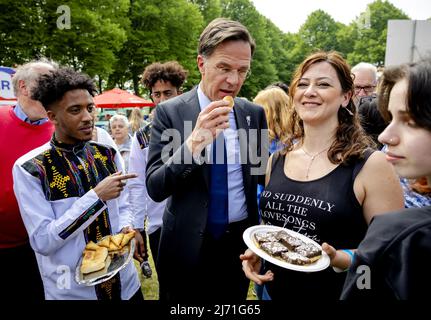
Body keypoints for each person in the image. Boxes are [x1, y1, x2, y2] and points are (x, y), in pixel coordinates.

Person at [240, 51, 404, 301]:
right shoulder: (277, 160)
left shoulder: (371, 165)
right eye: (303, 84)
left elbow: (393, 251)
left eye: (324, 84)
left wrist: (340, 259)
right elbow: (279, 227)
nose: (310, 91)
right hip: (273, 293)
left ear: (346, 96)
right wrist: (259, 250)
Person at [145, 18, 268, 301]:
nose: (234, 80)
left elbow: (261, 178)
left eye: (242, 71)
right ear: (202, 63)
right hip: (185, 245)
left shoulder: (253, 114)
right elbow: (155, 186)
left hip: (238, 245)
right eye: (224, 68)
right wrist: (194, 143)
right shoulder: (171, 113)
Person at [12, 67, 142, 300]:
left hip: (126, 286)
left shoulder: (108, 153)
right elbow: (43, 241)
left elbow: (124, 205)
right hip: (73, 292)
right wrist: (96, 198)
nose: (87, 117)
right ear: (52, 116)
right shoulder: (31, 168)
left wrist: (125, 227)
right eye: (75, 110)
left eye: (90, 108)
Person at [341, 60, 431, 299]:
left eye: (410, 121)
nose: (385, 136)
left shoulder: (398, 235)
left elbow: (362, 288)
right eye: (390, 117)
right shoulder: (279, 157)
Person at [0, 59, 57, 301]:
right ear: (23, 87)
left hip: (38, 249)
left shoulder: (61, 131)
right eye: (47, 82)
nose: (55, 88)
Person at [128, 60, 188, 283]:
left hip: (194, 221)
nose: (162, 100)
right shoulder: (142, 136)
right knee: (170, 288)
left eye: (168, 93)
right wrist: (137, 226)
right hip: (159, 224)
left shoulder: (196, 127)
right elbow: (136, 182)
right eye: (156, 94)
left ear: (179, 92)